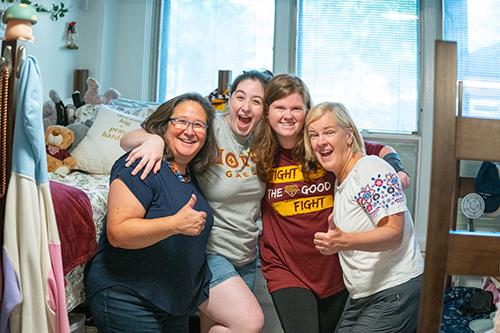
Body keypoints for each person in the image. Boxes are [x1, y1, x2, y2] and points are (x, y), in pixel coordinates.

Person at [250, 73, 411, 333]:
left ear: (307, 111)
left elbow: (380, 149)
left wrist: (397, 170)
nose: (288, 115)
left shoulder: (323, 147)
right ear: (267, 112)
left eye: (296, 108)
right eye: (279, 107)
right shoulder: (260, 154)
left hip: (333, 266)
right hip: (285, 266)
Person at [120, 70, 273, 333]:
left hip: (245, 254)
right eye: (240, 97)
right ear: (229, 100)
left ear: (264, 110)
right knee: (250, 322)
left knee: (223, 327)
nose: (246, 107)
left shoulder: (264, 141)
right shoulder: (211, 126)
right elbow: (127, 139)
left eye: (256, 101)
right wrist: (154, 140)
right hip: (210, 251)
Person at [85, 92, 219, 332]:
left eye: (199, 125)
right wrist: (174, 224)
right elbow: (118, 232)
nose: (190, 131)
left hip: (172, 303)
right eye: (181, 121)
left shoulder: (190, 174)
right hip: (128, 297)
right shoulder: (142, 162)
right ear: (164, 126)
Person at [304, 101, 424, 332]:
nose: (321, 141)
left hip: (394, 290)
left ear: (348, 136)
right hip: (363, 295)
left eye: (329, 132)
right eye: (313, 135)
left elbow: (393, 232)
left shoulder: (369, 168)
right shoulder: (343, 182)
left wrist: (342, 241)